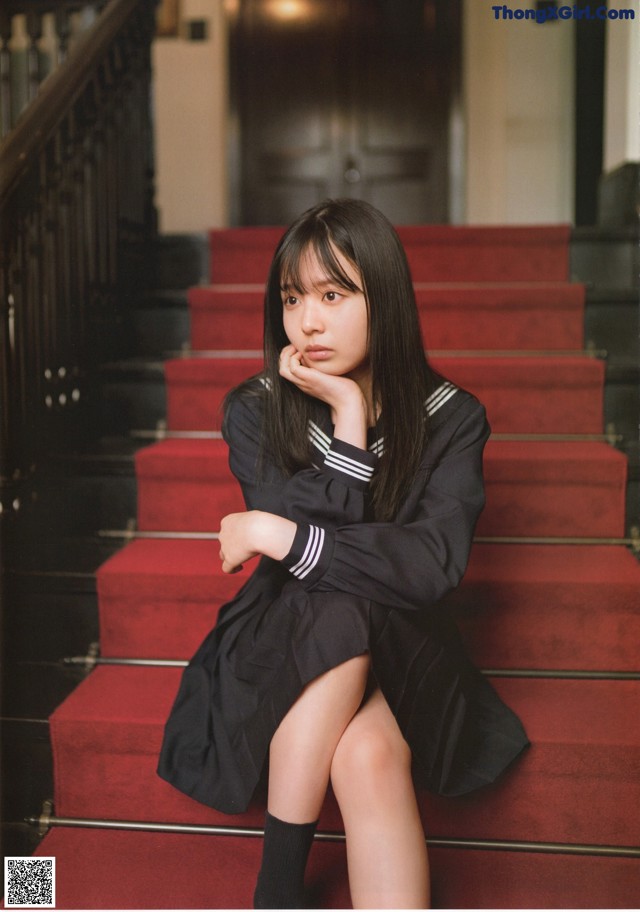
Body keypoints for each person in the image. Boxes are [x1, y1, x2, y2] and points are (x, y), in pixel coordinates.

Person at [157, 198, 529, 909]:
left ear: (383, 298)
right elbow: (334, 546)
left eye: (334, 294)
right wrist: (350, 427)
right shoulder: (255, 408)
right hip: (283, 634)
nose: (308, 321)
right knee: (363, 729)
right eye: (293, 297)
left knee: (354, 637)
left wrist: (277, 535)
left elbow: (429, 565)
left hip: (408, 647)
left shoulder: (453, 419)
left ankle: (276, 891)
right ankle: (276, 893)